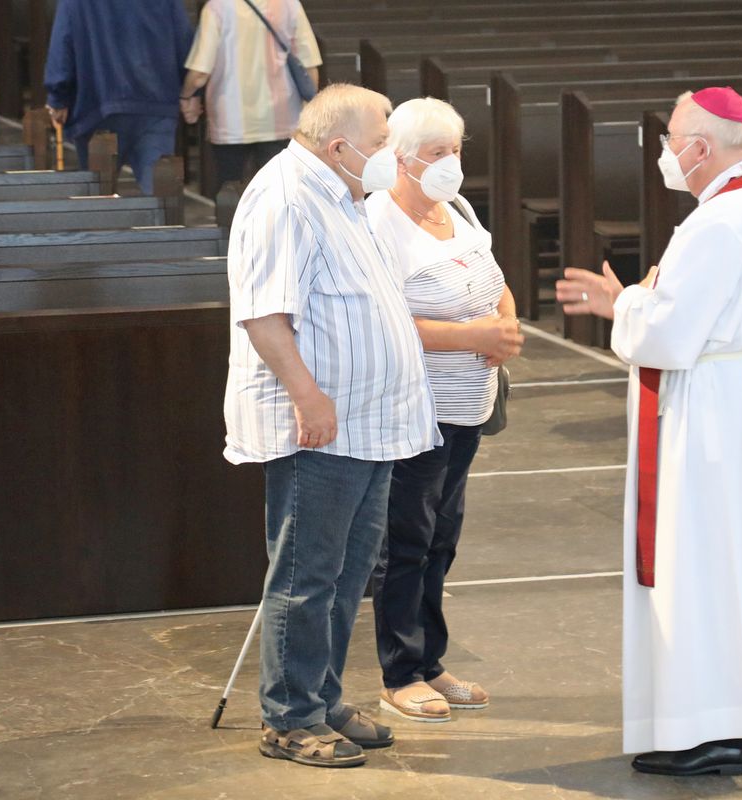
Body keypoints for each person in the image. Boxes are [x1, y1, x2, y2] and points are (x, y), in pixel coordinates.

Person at [556, 86, 742, 777]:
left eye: (671, 139)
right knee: (739, 562)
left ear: (700, 148)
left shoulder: (718, 223)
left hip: (705, 407)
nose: (666, 152)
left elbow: (670, 334)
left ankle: (709, 729)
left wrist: (623, 303)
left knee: (696, 563)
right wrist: (641, 301)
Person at [223, 83, 439, 768]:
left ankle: (321, 697)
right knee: (306, 575)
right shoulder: (284, 196)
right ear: (339, 145)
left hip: (369, 423)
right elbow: (264, 313)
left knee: (347, 575)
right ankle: (288, 717)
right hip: (319, 423)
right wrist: (307, 394)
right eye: (381, 145)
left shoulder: (345, 194)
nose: (390, 158)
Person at [365, 97, 524, 723]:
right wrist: (471, 338)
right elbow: (382, 321)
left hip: (468, 404)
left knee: (442, 535)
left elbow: (494, 277)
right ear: (400, 159)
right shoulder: (379, 220)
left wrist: (506, 322)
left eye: (456, 150)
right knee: (406, 538)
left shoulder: (456, 208)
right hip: (415, 404)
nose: (451, 164)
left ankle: (431, 659)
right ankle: (400, 672)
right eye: (437, 154)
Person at [43, 0, 192, 195]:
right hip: (156, 104)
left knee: (98, 200)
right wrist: (189, 93)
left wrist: (58, 97)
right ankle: (164, 225)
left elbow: (63, 41)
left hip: (97, 105)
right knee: (161, 197)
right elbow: (183, 38)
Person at [180, 0, 321, 192]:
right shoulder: (289, 4)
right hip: (281, 116)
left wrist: (187, 97)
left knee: (230, 191)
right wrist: (310, 109)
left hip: (230, 120)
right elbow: (309, 65)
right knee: (282, 191)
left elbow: (199, 74)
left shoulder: (217, 7)